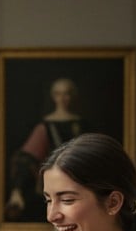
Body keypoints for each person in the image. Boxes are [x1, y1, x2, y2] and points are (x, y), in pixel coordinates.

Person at [6, 77, 82, 223]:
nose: (62, 98)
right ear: (53, 97)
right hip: (55, 184)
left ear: (73, 96)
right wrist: (17, 190)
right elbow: (25, 159)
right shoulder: (45, 127)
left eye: (66, 93)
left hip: (79, 184)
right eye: (58, 94)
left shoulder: (82, 125)